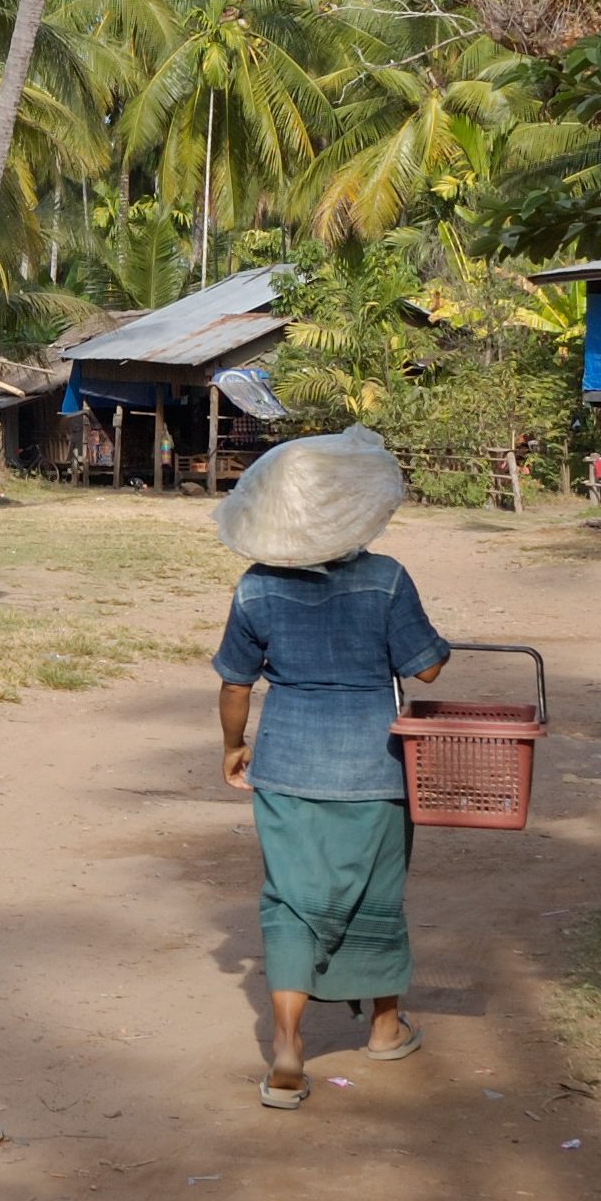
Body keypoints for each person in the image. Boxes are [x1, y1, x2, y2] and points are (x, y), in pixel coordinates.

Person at [208, 426, 450, 1109]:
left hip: (284, 765)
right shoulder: (384, 579)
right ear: (355, 508)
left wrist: (232, 746)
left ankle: (286, 1049)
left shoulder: (255, 588)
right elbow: (424, 666)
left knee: (288, 899)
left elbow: (234, 682)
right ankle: (381, 1027)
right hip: (374, 769)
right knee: (375, 894)